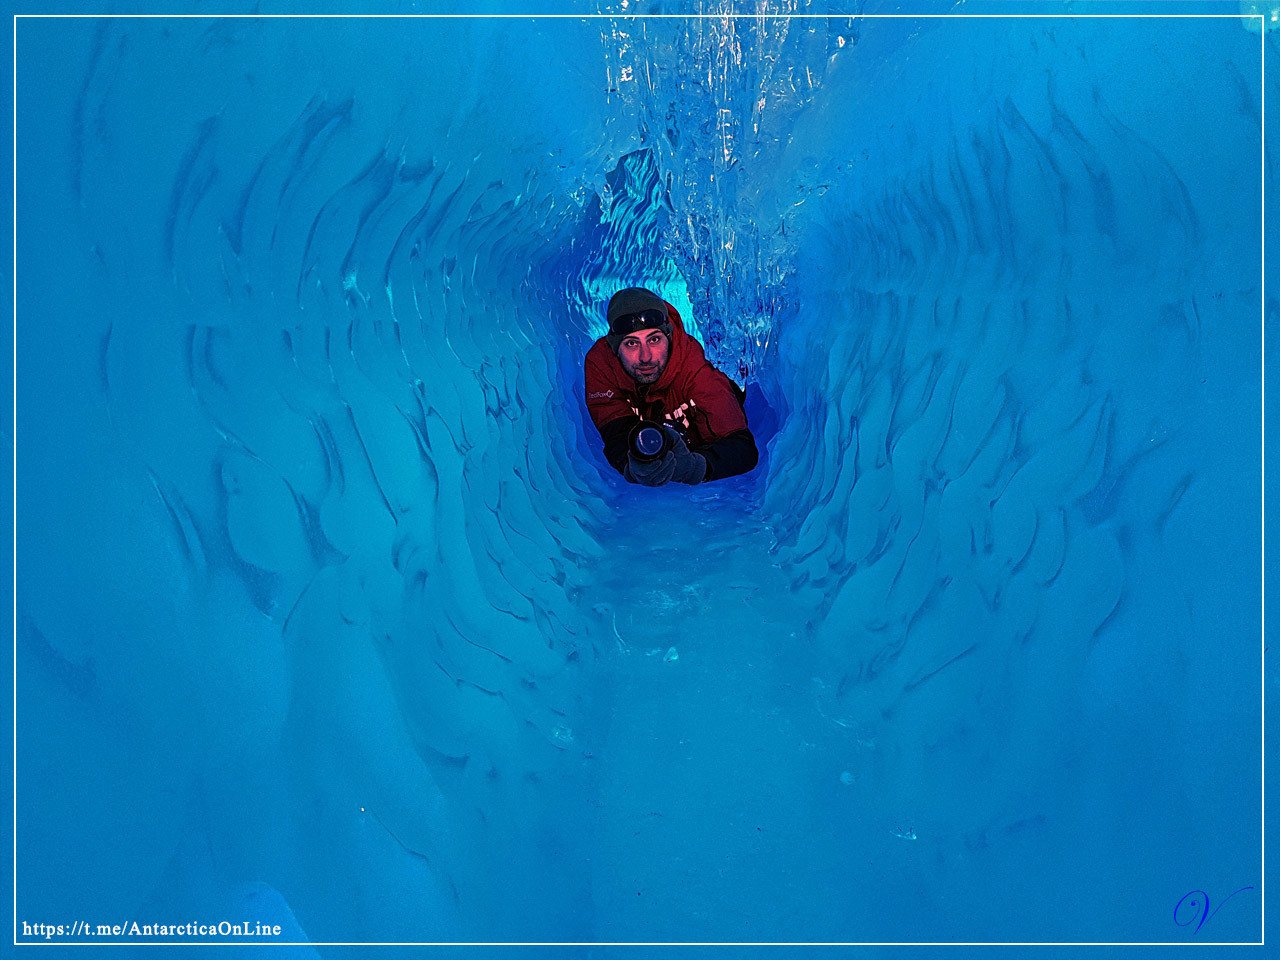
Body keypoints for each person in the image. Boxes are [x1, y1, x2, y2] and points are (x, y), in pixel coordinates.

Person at [584, 286, 759, 486]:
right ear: (615, 349)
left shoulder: (698, 373)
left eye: (654, 339)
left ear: (668, 337)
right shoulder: (601, 365)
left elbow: (743, 449)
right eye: (631, 343)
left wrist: (694, 466)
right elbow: (615, 432)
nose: (645, 357)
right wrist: (632, 465)